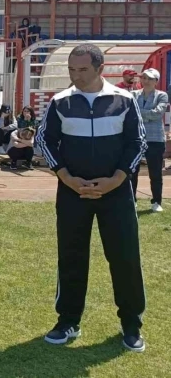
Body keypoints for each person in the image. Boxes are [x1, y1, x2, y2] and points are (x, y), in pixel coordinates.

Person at [36, 43, 147, 352]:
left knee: (125, 257)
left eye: (83, 70)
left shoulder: (124, 99)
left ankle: (131, 324)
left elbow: (137, 142)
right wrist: (66, 177)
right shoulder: (60, 101)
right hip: (73, 193)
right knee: (71, 256)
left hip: (116, 193)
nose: (76, 75)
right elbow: (44, 140)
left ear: (100, 68)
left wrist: (117, 179)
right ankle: (68, 321)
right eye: (72, 69)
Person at [131, 68, 167, 212]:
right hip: (135, 138)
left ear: (156, 81)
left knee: (155, 172)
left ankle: (156, 202)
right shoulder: (133, 94)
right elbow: (131, 113)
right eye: (144, 77)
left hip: (155, 139)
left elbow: (157, 114)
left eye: (150, 78)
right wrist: (147, 115)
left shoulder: (162, 95)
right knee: (132, 171)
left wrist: (139, 115)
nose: (146, 81)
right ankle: (132, 200)